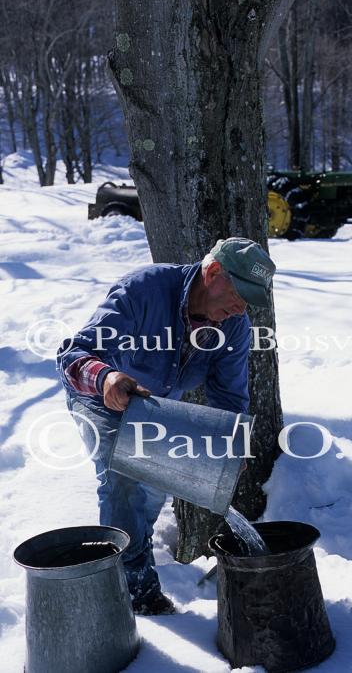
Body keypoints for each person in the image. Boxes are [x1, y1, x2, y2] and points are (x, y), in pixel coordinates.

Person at [57, 237, 276, 615]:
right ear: (213, 272)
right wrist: (106, 378)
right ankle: (135, 595)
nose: (241, 308)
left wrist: (231, 442)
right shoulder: (145, 290)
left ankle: (122, 550)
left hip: (153, 405)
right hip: (100, 393)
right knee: (123, 477)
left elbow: (229, 395)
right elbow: (74, 354)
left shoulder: (234, 325)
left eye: (249, 300)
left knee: (155, 486)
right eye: (239, 293)